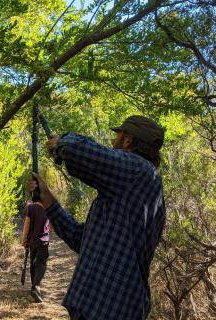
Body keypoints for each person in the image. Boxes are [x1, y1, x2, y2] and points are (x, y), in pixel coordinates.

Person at [27, 115, 166, 320]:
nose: (113, 142)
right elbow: (82, 240)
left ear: (127, 140)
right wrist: (47, 199)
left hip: (111, 310)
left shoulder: (139, 170)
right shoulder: (132, 187)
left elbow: (77, 150)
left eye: (117, 136)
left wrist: (61, 143)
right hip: (101, 308)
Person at [21, 198, 50, 303]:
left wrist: (24, 240)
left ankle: (34, 289)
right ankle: (35, 287)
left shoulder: (31, 207)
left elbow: (26, 225)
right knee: (41, 263)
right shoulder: (48, 208)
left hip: (32, 242)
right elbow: (51, 226)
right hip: (43, 241)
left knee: (33, 264)